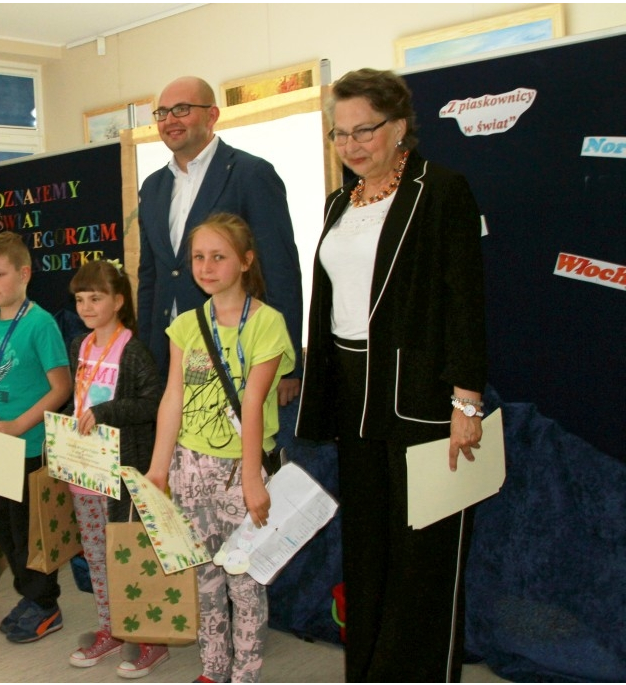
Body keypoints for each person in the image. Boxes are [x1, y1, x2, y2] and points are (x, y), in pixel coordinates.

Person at [295, 68, 487, 682]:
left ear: (399, 127)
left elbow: (466, 299)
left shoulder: (442, 191)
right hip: (353, 395)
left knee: (423, 551)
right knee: (370, 547)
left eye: (364, 131)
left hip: (422, 396)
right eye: (339, 134)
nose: (351, 145)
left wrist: (467, 400)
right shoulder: (337, 201)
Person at [146, 213, 295, 683]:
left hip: (239, 471)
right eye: (198, 257)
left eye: (218, 256)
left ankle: (245, 673)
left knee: (245, 581)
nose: (206, 267)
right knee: (205, 580)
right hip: (190, 469)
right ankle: (213, 670)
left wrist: (253, 476)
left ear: (246, 261)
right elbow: (173, 396)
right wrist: (157, 469)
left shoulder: (267, 323)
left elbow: (253, 402)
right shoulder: (186, 326)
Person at [136, 76, 304, 433]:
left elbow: (281, 270)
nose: (170, 120)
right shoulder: (152, 187)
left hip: (239, 353)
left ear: (212, 115)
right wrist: (147, 356)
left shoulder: (251, 174)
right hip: (173, 354)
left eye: (182, 109)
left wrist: (289, 368)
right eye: (162, 112)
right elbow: (150, 276)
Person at [61, 260, 167, 678]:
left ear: (119, 301)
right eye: (80, 299)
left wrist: (106, 411)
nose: (86, 307)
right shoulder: (79, 346)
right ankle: (113, 629)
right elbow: (76, 399)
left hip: (124, 472)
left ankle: (152, 640)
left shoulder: (133, 349)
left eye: (96, 298)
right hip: (85, 470)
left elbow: (152, 404)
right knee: (97, 556)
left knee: (131, 555)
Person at [0, 231, 72, 644]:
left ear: (24, 274)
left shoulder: (41, 323)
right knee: (2, 528)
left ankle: (46, 604)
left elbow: (61, 387)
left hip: (27, 447)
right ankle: (29, 596)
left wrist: (17, 425)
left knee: (31, 531)